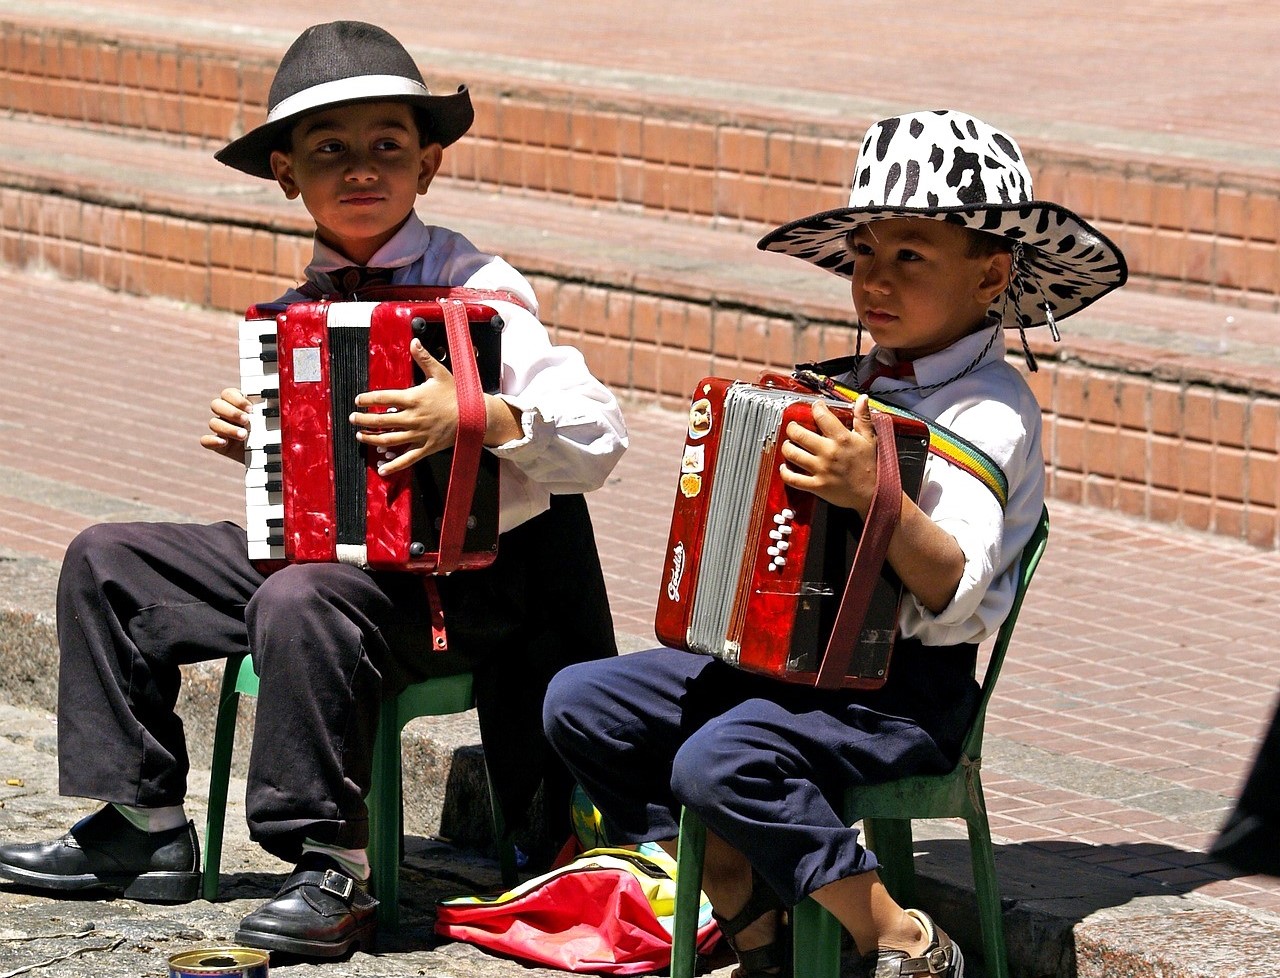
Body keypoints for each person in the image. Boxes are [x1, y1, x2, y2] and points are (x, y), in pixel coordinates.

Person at [0, 20, 627, 960]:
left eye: (388, 145)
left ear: (431, 164)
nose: (362, 169)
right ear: (289, 174)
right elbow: (314, 484)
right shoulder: (303, 305)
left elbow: (599, 437)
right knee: (107, 558)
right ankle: (142, 824)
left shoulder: (482, 290)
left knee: (301, 594)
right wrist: (257, 441)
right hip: (334, 568)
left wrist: (478, 417)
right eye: (330, 151)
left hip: (461, 586)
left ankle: (331, 865)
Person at [543, 109, 1127, 977]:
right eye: (863, 255)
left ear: (991, 274)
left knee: (718, 760)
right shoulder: (849, 383)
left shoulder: (992, 410)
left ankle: (897, 933)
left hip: (902, 697)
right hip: (787, 671)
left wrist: (874, 493)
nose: (873, 281)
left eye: (909, 256)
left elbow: (954, 588)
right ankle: (748, 906)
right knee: (582, 703)